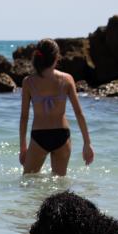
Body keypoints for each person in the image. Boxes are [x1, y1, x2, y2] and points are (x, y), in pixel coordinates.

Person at [19, 38, 94, 175]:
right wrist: (87, 143)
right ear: (56, 57)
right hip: (62, 135)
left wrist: (23, 147)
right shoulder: (67, 79)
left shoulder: (28, 82)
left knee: (28, 182)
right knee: (59, 185)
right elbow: (79, 113)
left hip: (39, 136)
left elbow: (24, 117)